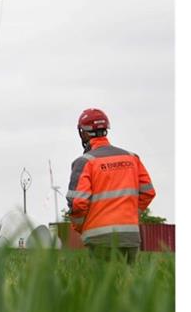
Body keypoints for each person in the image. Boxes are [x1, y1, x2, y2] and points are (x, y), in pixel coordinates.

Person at [66, 108, 156, 263]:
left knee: (103, 286)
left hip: (99, 239)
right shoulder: (132, 158)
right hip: (130, 236)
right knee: (129, 284)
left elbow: (78, 203)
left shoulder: (85, 162)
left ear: (84, 133)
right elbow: (148, 193)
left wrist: (81, 227)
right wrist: (129, 214)